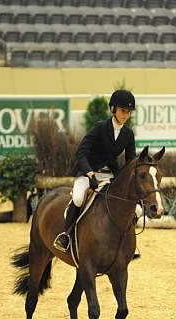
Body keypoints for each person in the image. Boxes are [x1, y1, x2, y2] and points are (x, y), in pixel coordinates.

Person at [54, 89, 137, 253]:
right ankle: (66, 235)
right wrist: (90, 173)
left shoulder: (128, 134)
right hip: (88, 173)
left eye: (128, 112)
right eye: (122, 111)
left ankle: (126, 243)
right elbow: (81, 152)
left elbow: (130, 161)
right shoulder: (100, 128)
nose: (125, 115)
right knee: (78, 198)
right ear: (113, 109)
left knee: (136, 208)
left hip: (110, 175)